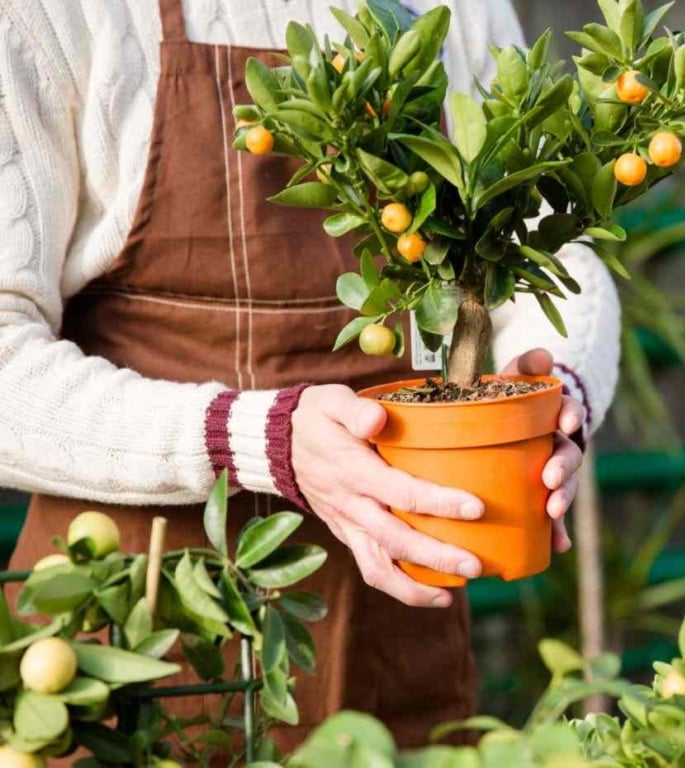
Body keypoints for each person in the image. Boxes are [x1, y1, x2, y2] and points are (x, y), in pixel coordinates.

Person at [0, 0, 620, 752]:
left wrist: (562, 400)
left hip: (396, 640)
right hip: (135, 632)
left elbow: (549, 245)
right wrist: (253, 438)